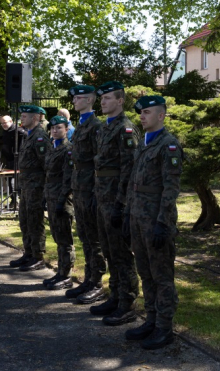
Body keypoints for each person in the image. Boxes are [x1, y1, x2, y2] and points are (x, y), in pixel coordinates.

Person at [123, 95, 183, 350]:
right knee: (145, 272)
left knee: (162, 276)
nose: (142, 116)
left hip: (157, 221)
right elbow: (133, 181)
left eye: (147, 112)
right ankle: (151, 319)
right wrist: (127, 214)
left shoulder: (169, 145)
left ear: (161, 115)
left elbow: (171, 189)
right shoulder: (144, 143)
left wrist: (162, 223)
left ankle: (164, 328)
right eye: (141, 113)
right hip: (138, 218)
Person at [91, 81, 141, 324]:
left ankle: (128, 302)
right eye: (102, 98)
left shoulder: (125, 129)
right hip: (102, 197)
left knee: (121, 253)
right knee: (109, 251)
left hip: (116, 199)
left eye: (108, 98)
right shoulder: (104, 128)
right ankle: (115, 295)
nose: (103, 102)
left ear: (120, 101)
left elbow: (128, 169)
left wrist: (122, 205)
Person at [64, 85, 107, 303]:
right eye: (74, 98)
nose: (74, 102)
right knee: (85, 236)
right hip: (79, 187)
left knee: (94, 238)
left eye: (79, 98)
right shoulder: (81, 125)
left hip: (90, 187)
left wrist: (94, 191)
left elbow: (98, 161)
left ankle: (97, 282)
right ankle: (89, 279)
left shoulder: (96, 126)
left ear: (90, 100)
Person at [9, 105, 51, 271]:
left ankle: (38, 256)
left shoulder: (40, 137)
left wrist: (44, 190)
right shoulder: (28, 135)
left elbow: (46, 165)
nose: (22, 119)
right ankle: (29, 252)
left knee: (35, 221)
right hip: (26, 187)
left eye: (25, 116)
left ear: (35, 118)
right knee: (25, 221)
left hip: (36, 187)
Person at [43, 116, 75, 290]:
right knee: (57, 237)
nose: (55, 131)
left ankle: (67, 275)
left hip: (62, 200)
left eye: (59, 128)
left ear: (66, 129)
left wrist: (62, 200)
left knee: (65, 238)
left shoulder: (68, 150)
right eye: (53, 128)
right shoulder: (52, 148)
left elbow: (68, 177)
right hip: (51, 197)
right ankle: (61, 271)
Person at [0, 114, 25, 209]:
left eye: (5, 122)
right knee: (10, 180)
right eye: (2, 123)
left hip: (18, 160)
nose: (3, 124)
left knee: (16, 181)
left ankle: (20, 201)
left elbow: (27, 135)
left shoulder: (17, 130)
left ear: (11, 121)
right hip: (9, 159)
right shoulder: (5, 131)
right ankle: (13, 201)